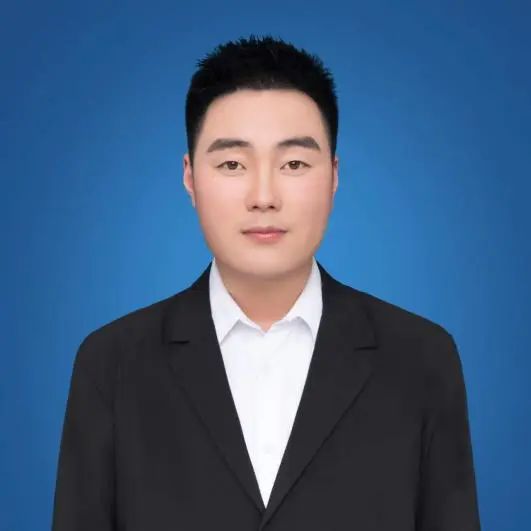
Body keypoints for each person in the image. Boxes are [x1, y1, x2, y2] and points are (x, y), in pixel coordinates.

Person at [51, 34, 482, 530]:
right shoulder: (111, 365)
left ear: (334, 175)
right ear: (190, 178)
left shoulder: (421, 359)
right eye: (232, 164)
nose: (263, 196)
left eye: (294, 163)